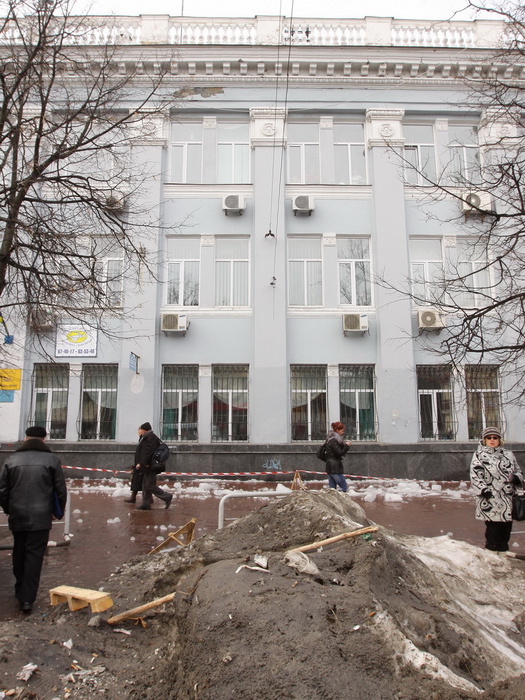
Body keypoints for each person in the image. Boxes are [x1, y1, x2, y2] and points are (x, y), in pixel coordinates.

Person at [0, 425, 67, 613]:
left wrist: (9, 509)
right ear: (44, 439)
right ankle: (27, 599)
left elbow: (2, 491)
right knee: (34, 556)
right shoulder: (52, 460)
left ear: (25, 438)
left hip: (18, 515)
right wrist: (58, 512)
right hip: (41, 517)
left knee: (19, 552)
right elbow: (60, 490)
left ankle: (19, 588)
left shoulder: (11, 460)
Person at [470, 426, 523, 553]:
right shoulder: (479, 455)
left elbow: (518, 471)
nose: (492, 440)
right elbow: (475, 475)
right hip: (490, 498)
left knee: (506, 528)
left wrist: (516, 478)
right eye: (489, 438)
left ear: (500, 439)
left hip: (507, 497)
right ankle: (492, 553)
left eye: (495, 437)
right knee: (493, 530)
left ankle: (503, 552)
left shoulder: (508, 454)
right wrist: (483, 490)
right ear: (485, 440)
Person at [134, 422, 172, 511]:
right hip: (148, 465)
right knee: (145, 484)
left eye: (140, 430)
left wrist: (142, 463)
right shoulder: (147, 437)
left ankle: (166, 496)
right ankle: (146, 503)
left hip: (150, 466)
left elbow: (148, 453)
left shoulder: (150, 438)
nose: (139, 431)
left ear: (144, 430)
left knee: (149, 485)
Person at [324, 421, 352, 493]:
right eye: (342, 431)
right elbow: (339, 453)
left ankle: (332, 499)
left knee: (332, 489)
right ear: (337, 430)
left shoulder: (331, 439)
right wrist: (346, 446)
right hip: (334, 466)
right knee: (344, 487)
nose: (343, 432)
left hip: (331, 466)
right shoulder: (334, 440)